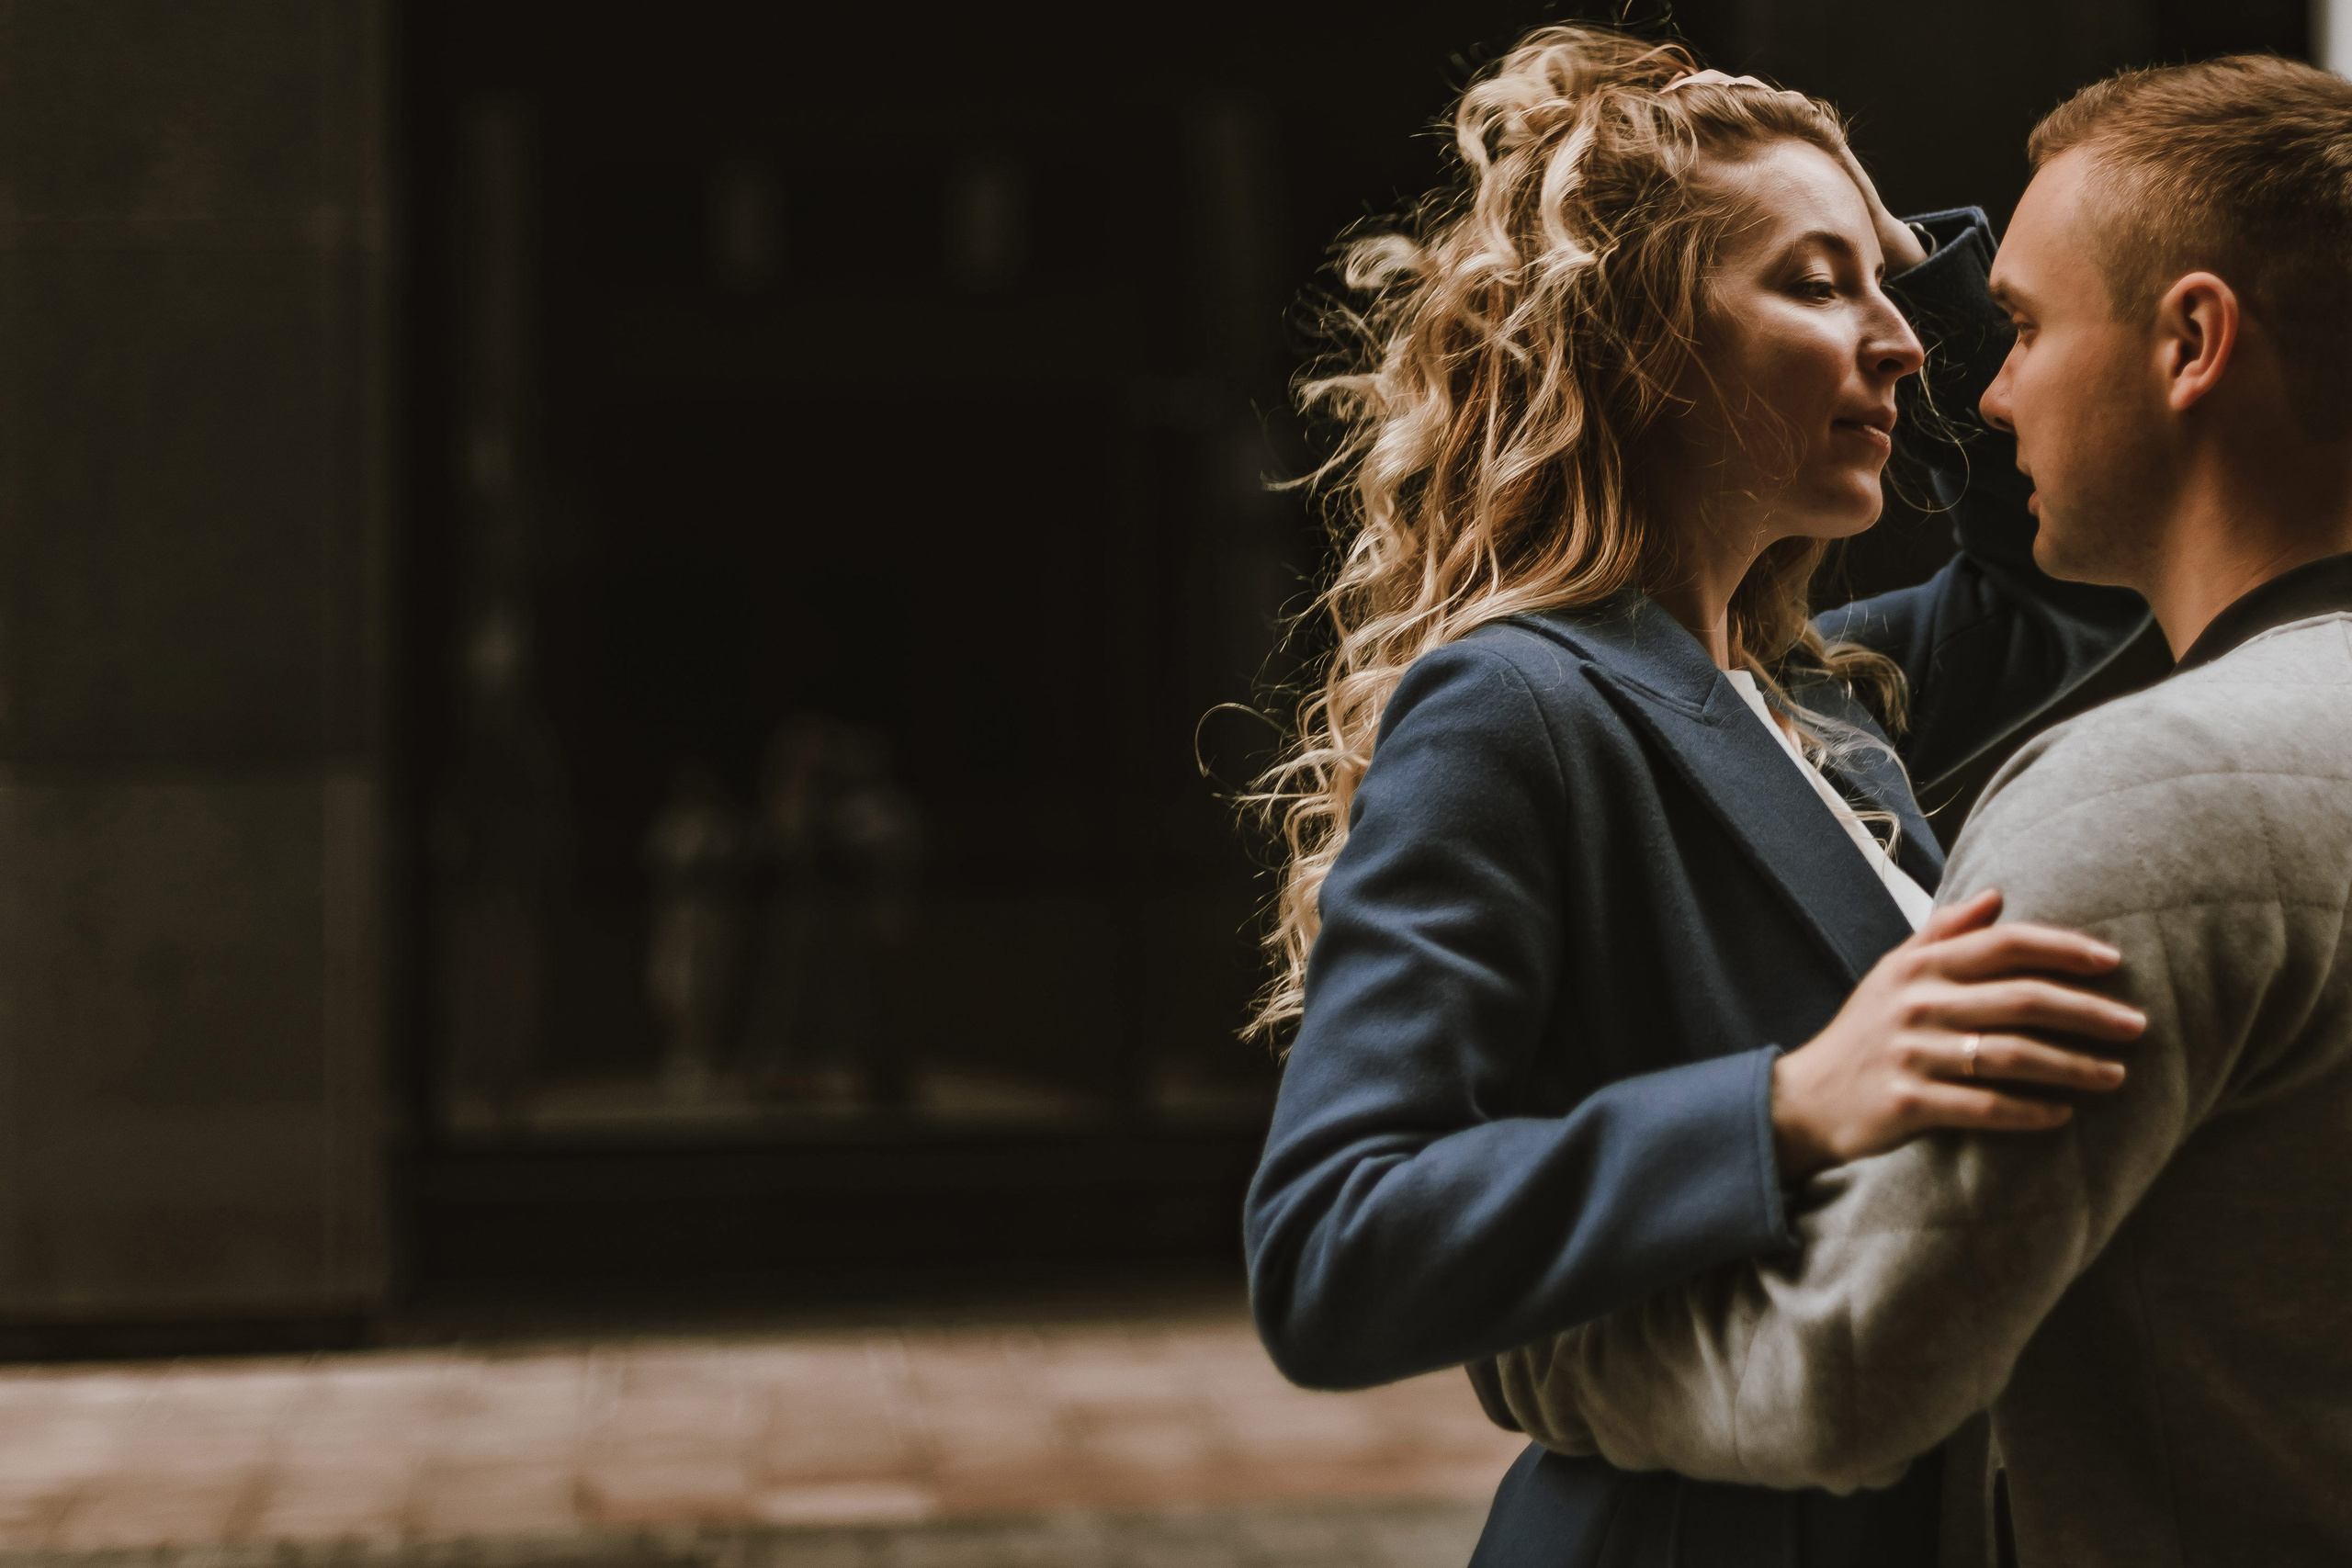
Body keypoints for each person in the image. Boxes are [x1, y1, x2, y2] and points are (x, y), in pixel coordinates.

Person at [1238, 24, 2154, 1568]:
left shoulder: (1821, 693)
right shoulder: (1517, 702)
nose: (1902, 343)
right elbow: (1332, 1243)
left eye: (1885, 289)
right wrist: (1786, 1104)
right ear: (1644, 344)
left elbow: (2075, 589)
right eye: (1817, 285)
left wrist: (1905, 258)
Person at [1476, 54, 2352, 1568]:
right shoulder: (1542, 721)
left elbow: (1855, 1372)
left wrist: (1528, 1344)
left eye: (2013, 328)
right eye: (1817, 295)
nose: (1956, 379)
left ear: (2196, 341)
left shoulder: (2016, 752)